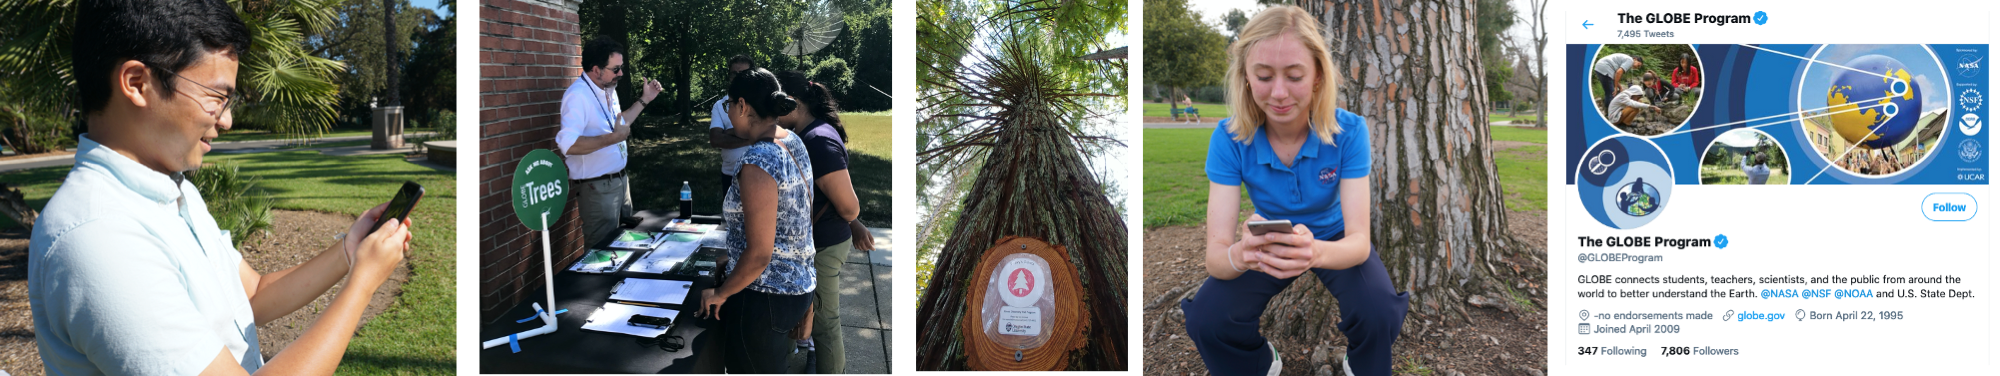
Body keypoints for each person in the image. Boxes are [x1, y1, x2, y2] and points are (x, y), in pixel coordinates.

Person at [29, 1, 414, 374]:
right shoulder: (100, 238)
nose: (227, 120)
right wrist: (362, 284)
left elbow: (251, 295)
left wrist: (349, 251)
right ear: (136, 83)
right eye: (216, 97)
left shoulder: (171, 190)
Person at [1179, 6, 1410, 376]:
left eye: (1295, 75)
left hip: (1332, 237)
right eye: (1265, 77)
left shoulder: (1349, 131)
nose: (1279, 93)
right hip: (1269, 238)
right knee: (1207, 319)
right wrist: (1241, 254)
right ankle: (1257, 364)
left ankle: (1363, 366)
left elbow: (1359, 242)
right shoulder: (1229, 138)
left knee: (1379, 312)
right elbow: (1216, 259)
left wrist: (1314, 251)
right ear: (1247, 78)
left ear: (1317, 75)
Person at [697, 68, 816, 374]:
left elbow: (760, 254)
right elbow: (796, 221)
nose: (729, 113)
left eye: (729, 107)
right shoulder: (792, 141)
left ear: (742, 106)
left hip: (765, 298)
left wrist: (720, 293)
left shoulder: (758, 162)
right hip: (797, 285)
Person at [776, 70, 877, 373]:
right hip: (818, 241)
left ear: (794, 102)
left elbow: (848, 206)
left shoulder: (818, 140)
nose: (773, 115)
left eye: (778, 106)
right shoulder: (809, 133)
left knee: (823, 322)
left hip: (823, 245)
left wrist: (854, 221)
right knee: (810, 315)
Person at [556, 36, 663, 244]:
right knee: (602, 254)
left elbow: (620, 125)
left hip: (620, 183)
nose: (621, 73)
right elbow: (567, 144)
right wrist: (613, 138)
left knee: (626, 245)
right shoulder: (578, 96)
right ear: (596, 70)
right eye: (616, 69)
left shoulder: (608, 90)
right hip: (597, 189)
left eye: (621, 68)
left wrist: (645, 99)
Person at [708, 55, 762, 189]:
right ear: (729, 76)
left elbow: (770, 132)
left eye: (743, 74)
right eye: (734, 74)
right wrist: (750, 139)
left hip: (761, 173)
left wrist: (732, 132)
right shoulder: (720, 105)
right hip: (730, 175)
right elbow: (715, 140)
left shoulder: (762, 103)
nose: (738, 78)